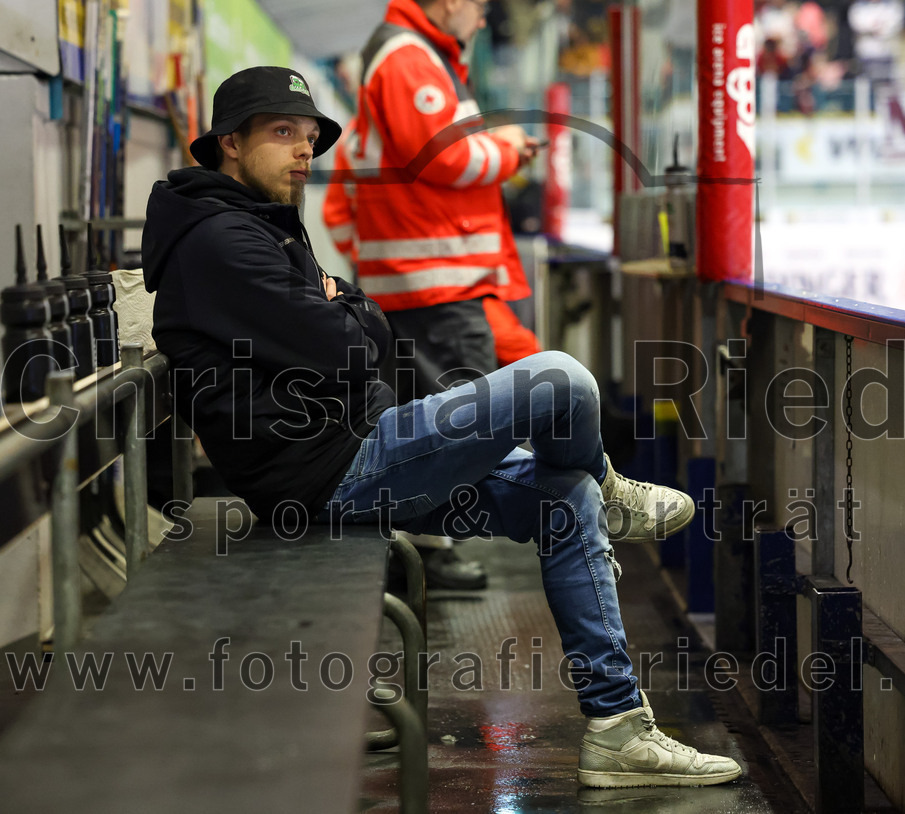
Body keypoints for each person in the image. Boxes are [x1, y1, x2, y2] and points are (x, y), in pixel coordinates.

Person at [141, 64, 742, 789]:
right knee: (558, 380)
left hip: (356, 444)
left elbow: (361, 330)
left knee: (565, 498)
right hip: (328, 472)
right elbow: (347, 347)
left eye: (308, 135)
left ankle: (618, 729)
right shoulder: (220, 241)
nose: (304, 150)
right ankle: (611, 486)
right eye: (282, 132)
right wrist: (346, 314)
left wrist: (345, 310)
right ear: (229, 143)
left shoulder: (259, 225)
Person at [322, 0, 544, 589]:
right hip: (439, 288)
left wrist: (376, 264)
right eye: (481, 7)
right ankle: (439, 549)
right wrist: (509, 149)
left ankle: (425, 549)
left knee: (436, 420)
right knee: (465, 425)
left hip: (422, 286)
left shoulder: (405, 61)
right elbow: (446, 155)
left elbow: (341, 208)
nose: (483, 20)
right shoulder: (409, 58)